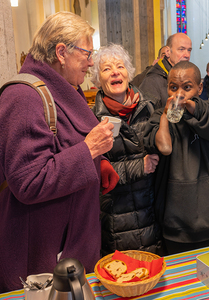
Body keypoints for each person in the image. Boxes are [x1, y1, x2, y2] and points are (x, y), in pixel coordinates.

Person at [0, 12, 119, 293]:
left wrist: (97, 163)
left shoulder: (64, 90)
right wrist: (89, 149)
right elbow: (28, 182)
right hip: (43, 254)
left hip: (70, 247)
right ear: (61, 52)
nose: (91, 62)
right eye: (87, 53)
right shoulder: (24, 97)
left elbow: (60, 147)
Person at [143, 61, 209, 255]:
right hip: (176, 227)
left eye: (187, 87)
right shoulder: (158, 116)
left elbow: (202, 113)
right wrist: (165, 117)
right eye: (173, 87)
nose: (179, 93)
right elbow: (165, 148)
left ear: (199, 87)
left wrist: (185, 103)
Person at [90, 43, 163, 257]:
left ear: (128, 74)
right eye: (106, 69)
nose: (115, 72)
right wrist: (139, 166)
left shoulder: (149, 108)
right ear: (98, 81)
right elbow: (97, 170)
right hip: (117, 215)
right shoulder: (93, 120)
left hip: (151, 209)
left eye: (120, 66)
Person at [139, 32, 192, 107]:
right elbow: (148, 116)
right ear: (167, 52)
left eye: (189, 50)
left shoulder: (185, 76)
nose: (187, 55)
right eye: (181, 49)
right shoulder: (152, 80)